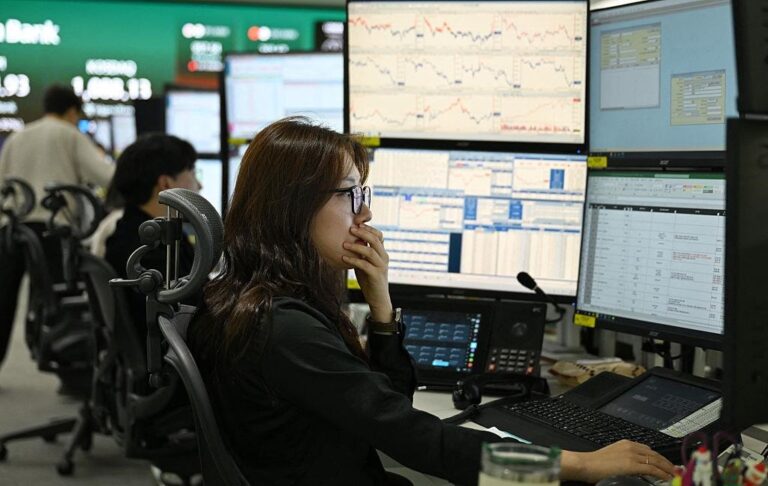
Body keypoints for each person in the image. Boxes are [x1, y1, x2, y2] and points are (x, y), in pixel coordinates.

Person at [187, 117, 676, 486]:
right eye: (350, 194)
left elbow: (385, 407)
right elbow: (419, 440)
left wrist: (381, 307)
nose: (366, 212)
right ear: (294, 207)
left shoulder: (250, 300)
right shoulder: (284, 329)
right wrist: (579, 464)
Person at [0, 84, 114, 370]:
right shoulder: (69, 134)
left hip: (11, 229)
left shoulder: (18, 136)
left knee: (2, 300)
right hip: (51, 231)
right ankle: (62, 358)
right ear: (72, 111)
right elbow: (106, 177)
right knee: (60, 302)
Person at [104, 133, 201, 336]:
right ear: (166, 184)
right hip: (177, 349)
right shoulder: (153, 251)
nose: (199, 185)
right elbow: (197, 313)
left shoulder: (131, 232)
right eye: (192, 172)